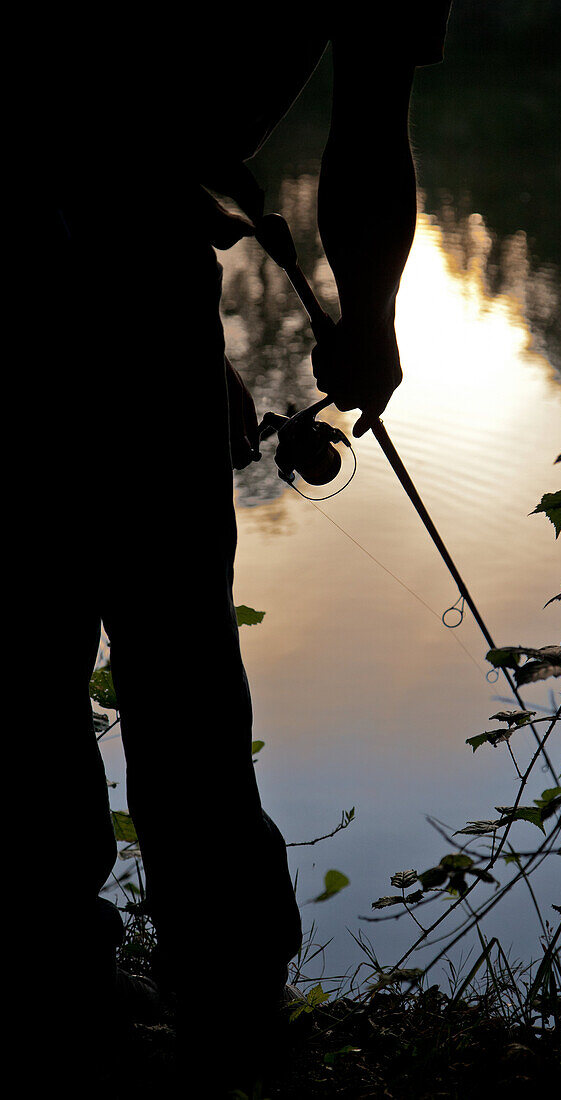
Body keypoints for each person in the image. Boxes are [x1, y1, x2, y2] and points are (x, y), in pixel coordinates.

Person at [18, 2, 451, 1094]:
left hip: (131, 238)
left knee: (106, 650)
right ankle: (212, 1002)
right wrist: (372, 321)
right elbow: (363, 133)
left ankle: (111, 989)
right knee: (168, 655)